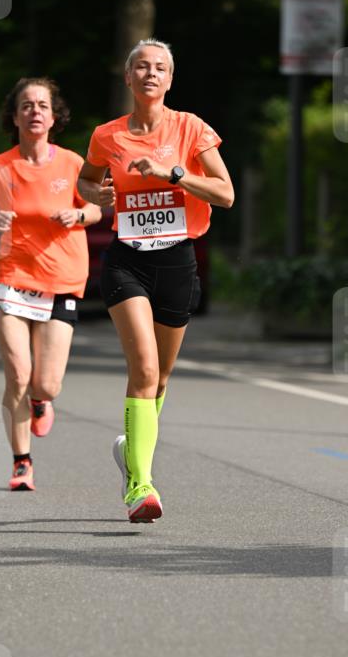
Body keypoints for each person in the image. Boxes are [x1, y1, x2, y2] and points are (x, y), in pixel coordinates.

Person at [78, 39, 234, 523]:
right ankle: (140, 486)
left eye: (160, 68)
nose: (150, 74)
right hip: (128, 261)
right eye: (141, 67)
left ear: (170, 80)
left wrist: (175, 174)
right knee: (143, 370)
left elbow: (225, 194)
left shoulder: (190, 128)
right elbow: (86, 181)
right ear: (128, 79)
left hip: (177, 260)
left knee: (161, 377)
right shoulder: (107, 136)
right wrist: (97, 193)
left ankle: (131, 450)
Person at [0, 78, 101, 491]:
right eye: (27, 105)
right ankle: (22, 462)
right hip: (11, 280)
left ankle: (42, 401)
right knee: (18, 373)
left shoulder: (74, 164)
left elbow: (96, 208)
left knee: (46, 383)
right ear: (15, 115)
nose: (35, 111)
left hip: (61, 281)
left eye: (42, 105)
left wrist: (80, 216)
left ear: (54, 116)